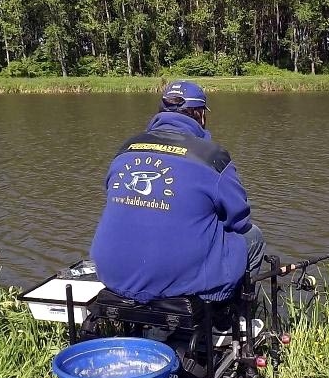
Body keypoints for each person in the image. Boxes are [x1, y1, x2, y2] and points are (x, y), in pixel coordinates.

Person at [90, 80, 264, 303]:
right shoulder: (213, 156)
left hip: (111, 273)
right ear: (200, 114)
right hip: (173, 282)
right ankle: (230, 316)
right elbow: (239, 220)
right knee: (253, 236)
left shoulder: (127, 147)